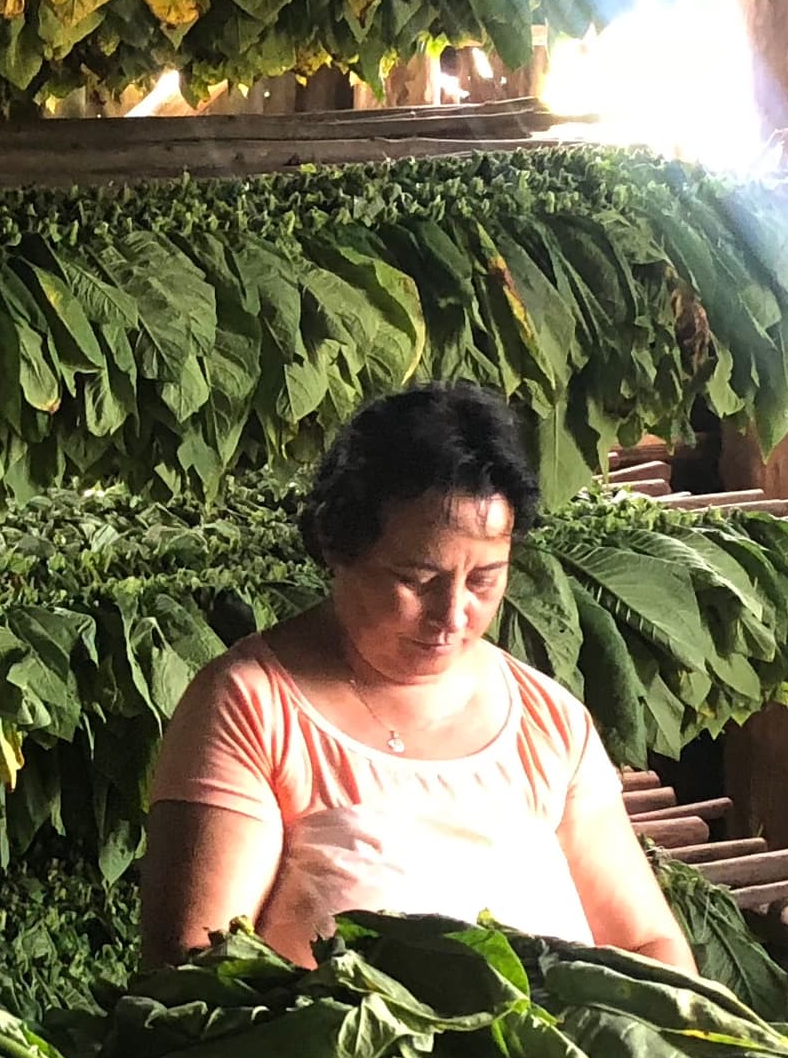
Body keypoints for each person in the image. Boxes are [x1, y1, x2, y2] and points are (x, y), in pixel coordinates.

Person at [138, 381, 701, 970]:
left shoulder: (549, 721)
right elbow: (195, 968)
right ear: (338, 546)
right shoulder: (251, 708)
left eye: (484, 580)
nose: (452, 615)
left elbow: (647, 943)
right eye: (417, 579)